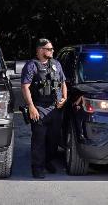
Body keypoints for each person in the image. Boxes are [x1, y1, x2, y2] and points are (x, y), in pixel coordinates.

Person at [21, 38, 68, 178]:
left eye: (52, 49)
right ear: (40, 50)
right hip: (39, 107)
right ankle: (37, 167)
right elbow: (25, 87)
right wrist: (31, 107)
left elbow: (62, 82)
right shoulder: (31, 66)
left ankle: (47, 161)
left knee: (53, 139)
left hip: (55, 107)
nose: (52, 51)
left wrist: (64, 98)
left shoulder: (56, 64)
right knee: (39, 140)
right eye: (49, 49)